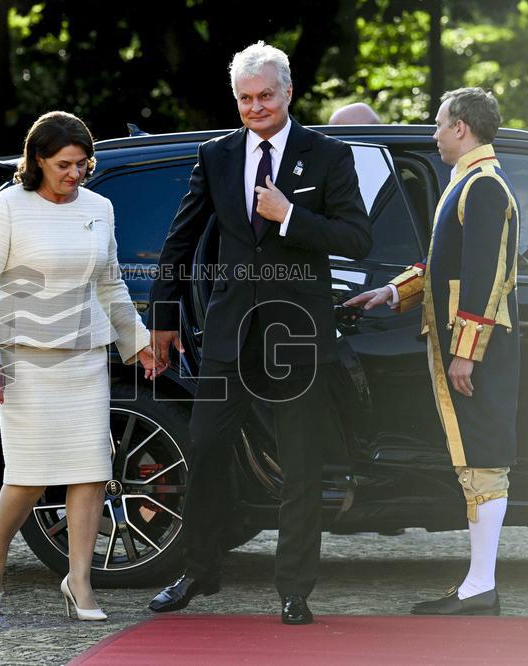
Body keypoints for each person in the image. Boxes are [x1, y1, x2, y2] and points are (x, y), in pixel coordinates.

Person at [146, 41, 371, 625]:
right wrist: (163, 322)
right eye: (244, 98)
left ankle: (295, 589)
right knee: (205, 448)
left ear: (288, 92)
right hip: (229, 336)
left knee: (300, 464)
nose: (254, 107)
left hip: (296, 339)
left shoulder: (326, 156)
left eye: (265, 95)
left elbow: (356, 239)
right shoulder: (216, 155)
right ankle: (199, 571)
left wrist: (290, 216)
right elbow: (179, 242)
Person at [0, 110, 161, 620]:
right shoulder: (6, 208)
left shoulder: (99, 207)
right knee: (28, 476)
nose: (76, 174)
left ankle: (79, 582)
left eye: (83, 164)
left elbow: (111, 283)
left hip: (84, 360)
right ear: (38, 161)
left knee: (91, 472)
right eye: (65, 164)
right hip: (23, 362)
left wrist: (135, 342)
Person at [346, 87, 520, 616]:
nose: (435, 133)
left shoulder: (483, 186)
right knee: (475, 460)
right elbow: (441, 264)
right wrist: (394, 292)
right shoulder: (468, 183)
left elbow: (485, 277)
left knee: (483, 460)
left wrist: (466, 350)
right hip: (467, 344)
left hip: (476, 348)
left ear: (462, 127)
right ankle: (478, 583)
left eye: (440, 124)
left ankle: (481, 586)